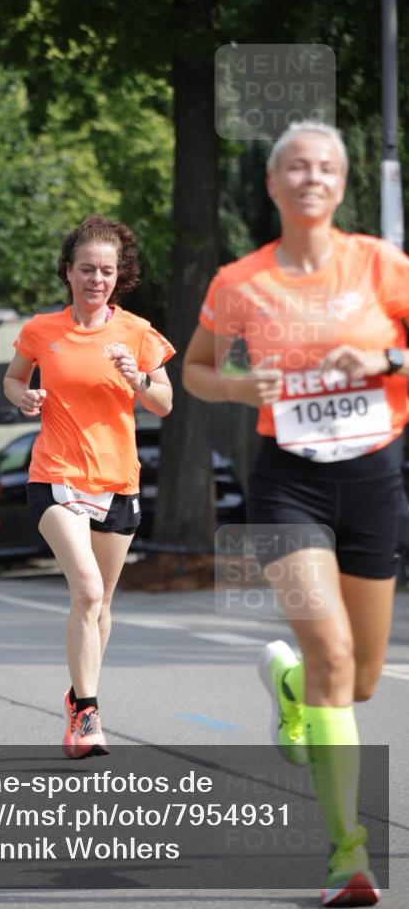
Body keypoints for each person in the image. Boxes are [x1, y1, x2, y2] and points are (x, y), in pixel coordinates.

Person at [183, 121, 409, 907]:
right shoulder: (239, 282)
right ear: (273, 186)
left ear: (341, 187)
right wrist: (240, 387)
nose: (311, 177)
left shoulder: (380, 266)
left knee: (361, 680)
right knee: (332, 653)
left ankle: (289, 690)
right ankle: (347, 856)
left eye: (325, 167)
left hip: (374, 477)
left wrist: (383, 359)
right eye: (295, 168)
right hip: (289, 482)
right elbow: (196, 371)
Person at [4, 215, 175, 758]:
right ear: (68, 272)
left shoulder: (137, 332)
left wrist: (137, 377)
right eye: (86, 269)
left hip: (118, 481)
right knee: (88, 589)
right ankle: (87, 714)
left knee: (101, 608)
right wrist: (22, 397)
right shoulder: (41, 330)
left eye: (106, 270)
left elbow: (164, 402)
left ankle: (80, 690)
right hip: (55, 476)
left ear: (118, 275)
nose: (96, 279)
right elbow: (13, 377)